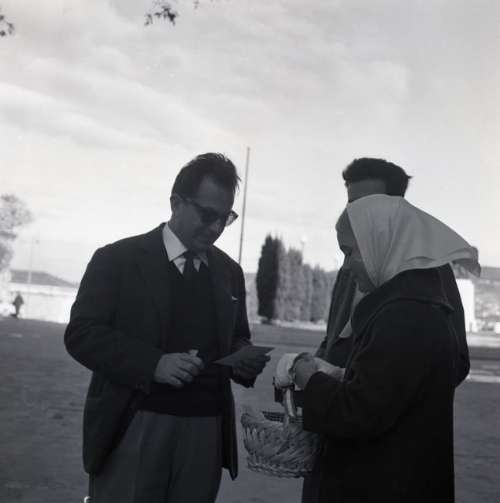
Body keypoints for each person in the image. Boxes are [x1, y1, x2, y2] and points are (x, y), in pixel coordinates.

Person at [64, 153, 270, 503]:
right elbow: (82, 334)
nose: (216, 229)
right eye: (207, 215)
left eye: (225, 218)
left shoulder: (229, 272)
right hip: (134, 421)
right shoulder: (117, 259)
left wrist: (243, 358)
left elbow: (236, 336)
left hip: (206, 430)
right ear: (176, 203)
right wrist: (153, 364)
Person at [300, 158, 469, 502]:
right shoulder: (362, 268)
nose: (357, 215)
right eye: (352, 204)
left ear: (391, 216)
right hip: (342, 445)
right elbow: (335, 337)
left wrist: (332, 382)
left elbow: (446, 362)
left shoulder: (421, 287)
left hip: (384, 467)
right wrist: (324, 369)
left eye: (367, 206)